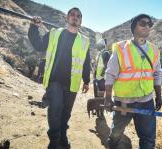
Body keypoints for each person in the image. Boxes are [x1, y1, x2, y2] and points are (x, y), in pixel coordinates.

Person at [28, 7, 91, 149]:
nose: (75, 17)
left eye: (78, 16)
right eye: (72, 15)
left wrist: (86, 81)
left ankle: (63, 135)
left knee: (66, 113)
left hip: (72, 84)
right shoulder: (54, 34)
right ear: (67, 18)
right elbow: (38, 45)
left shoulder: (85, 41)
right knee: (55, 109)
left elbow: (86, 62)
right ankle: (55, 140)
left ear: (81, 21)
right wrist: (33, 27)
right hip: (54, 80)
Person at [104, 14, 162, 149]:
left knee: (148, 139)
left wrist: (159, 96)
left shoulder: (154, 50)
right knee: (116, 134)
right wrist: (107, 97)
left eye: (149, 24)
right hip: (124, 102)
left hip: (146, 101)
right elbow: (110, 74)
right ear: (133, 27)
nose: (147, 26)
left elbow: (157, 73)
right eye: (143, 23)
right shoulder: (121, 48)